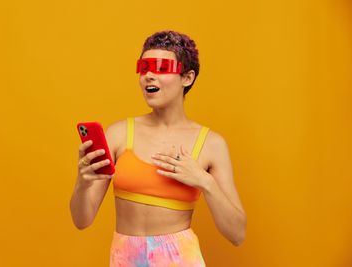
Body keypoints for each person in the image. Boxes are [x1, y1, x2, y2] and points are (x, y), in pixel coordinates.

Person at [70, 30, 247, 266]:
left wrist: (204, 181)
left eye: (161, 68)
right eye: (143, 68)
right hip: (126, 259)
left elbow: (237, 234)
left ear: (187, 77)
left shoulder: (211, 144)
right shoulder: (119, 134)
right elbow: (81, 220)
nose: (149, 76)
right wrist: (82, 183)